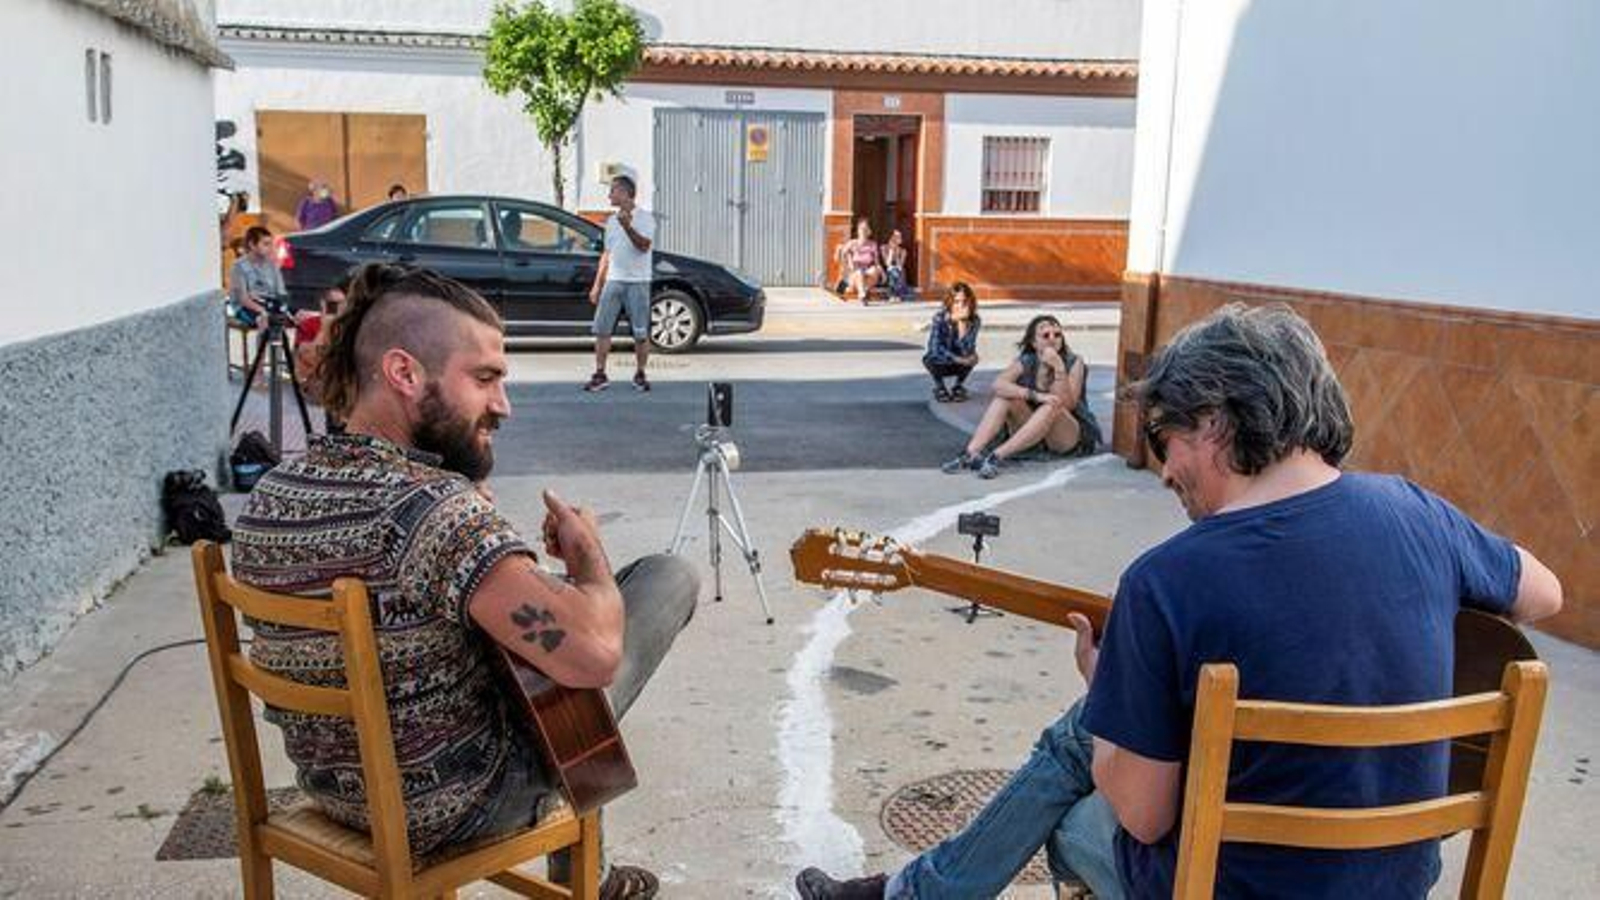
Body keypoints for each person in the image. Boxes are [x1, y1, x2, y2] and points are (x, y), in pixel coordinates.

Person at [796, 303, 1563, 900]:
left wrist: (1112, 692)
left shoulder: (1168, 580)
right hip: (1396, 880)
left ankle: (919, 893)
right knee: (1095, 732)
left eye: (1165, 440)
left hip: (1226, 886)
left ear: (1216, 423)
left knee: (1072, 800)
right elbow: (1545, 595)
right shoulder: (1421, 514)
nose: (1163, 471)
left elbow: (1145, 815)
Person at [232, 263, 698, 899]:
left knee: (530, 650)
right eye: (484, 378)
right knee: (663, 580)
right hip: (459, 805)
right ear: (404, 373)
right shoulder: (431, 512)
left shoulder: (271, 494)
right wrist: (587, 558)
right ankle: (585, 874)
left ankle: (594, 870)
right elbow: (593, 658)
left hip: (333, 790)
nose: (503, 404)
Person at [941, 314, 1100, 478]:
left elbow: (1068, 404)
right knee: (1005, 398)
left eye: (1057, 335)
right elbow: (998, 385)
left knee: (1053, 405)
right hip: (1032, 432)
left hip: (1065, 436)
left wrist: (1058, 366)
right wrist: (1035, 395)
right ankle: (970, 453)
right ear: (1034, 342)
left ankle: (996, 457)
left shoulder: (1074, 362)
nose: (1052, 339)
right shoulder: (1027, 360)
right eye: (1046, 335)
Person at [584, 174, 657, 393]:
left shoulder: (646, 218)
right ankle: (600, 374)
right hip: (613, 280)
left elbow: (644, 246)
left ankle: (640, 374)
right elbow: (607, 254)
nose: (609, 195)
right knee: (602, 330)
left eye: (613, 191)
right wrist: (597, 285)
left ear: (625, 193)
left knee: (640, 333)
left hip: (638, 282)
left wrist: (627, 227)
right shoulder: (611, 221)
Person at [922, 282, 981, 402]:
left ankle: (958, 386)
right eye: (956, 302)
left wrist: (962, 326)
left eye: (965, 302)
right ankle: (940, 387)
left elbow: (968, 351)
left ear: (970, 302)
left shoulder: (974, 320)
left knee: (974, 357)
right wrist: (958, 359)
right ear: (950, 302)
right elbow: (934, 348)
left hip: (960, 361)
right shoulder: (940, 318)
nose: (961, 306)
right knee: (928, 358)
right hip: (941, 361)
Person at [226, 225, 284, 329]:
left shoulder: (271, 265)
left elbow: (280, 293)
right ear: (252, 245)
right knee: (264, 319)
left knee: (300, 315)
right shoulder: (239, 266)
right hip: (245, 308)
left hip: (267, 303)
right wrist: (262, 310)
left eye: (271, 244)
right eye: (266, 244)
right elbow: (243, 299)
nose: (270, 248)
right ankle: (263, 339)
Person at [836, 219, 883, 302]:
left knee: (874, 270)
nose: (863, 231)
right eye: (861, 229)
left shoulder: (873, 244)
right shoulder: (852, 243)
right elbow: (840, 254)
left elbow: (877, 262)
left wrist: (882, 272)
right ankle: (862, 294)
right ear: (858, 231)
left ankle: (863, 291)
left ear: (869, 231)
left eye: (866, 229)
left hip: (867, 274)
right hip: (854, 273)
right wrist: (846, 265)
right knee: (859, 272)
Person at [881, 230, 911, 301]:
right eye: (897, 237)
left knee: (897, 272)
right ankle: (897, 294)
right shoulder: (884, 248)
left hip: (899, 270)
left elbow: (900, 265)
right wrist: (891, 251)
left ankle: (893, 294)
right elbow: (887, 264)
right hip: (887, 270)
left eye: (900, 237)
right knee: (894, 272)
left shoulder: (903, 251)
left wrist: (897, 254)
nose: (900, 238)